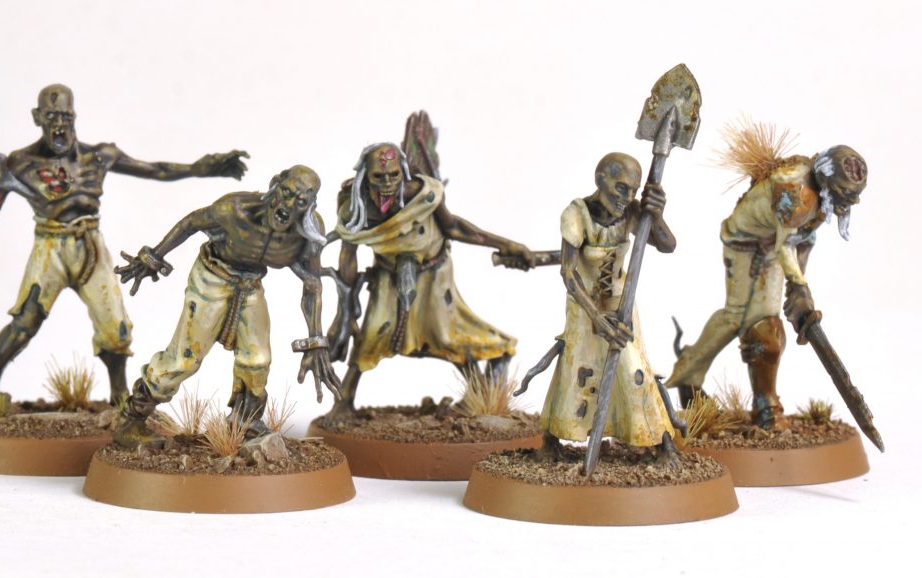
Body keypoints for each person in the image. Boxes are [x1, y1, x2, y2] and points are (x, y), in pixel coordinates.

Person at [0, 84, 249, 404]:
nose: (59, 125)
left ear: (74, 117)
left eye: (66, 116)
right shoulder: (22, 162)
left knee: (115, 326)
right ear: (37, 117)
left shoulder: (98, 157)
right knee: (25, 321)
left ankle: (119, 396)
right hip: (50, 248)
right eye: (52, 116)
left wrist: (200, 169)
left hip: (91, 246)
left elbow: (154, 170)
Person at [113, 165, 341, 448]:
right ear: (274, 185)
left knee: (257, 359)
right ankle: (132, 418)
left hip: (250, 284)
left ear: (310, 206)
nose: (290, 205)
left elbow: (313, 283)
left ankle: (245, 425)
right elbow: (192, 222)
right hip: (212, 276)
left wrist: (316, 340)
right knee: (184, 360)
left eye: (301, 201)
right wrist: (154, 256)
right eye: (287, 193)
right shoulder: (235, 209)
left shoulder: (308, 234)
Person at [666, 132, 867, 429]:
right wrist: (799, 285)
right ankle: (694, 375)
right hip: (747, 245)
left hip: (772, 245)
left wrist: (797, 285)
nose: (846, 205)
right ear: (829, 185)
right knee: (742, 320)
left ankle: (762, 404)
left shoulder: (817, 191)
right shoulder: (797, 193)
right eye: (844, 197)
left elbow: (803, 238)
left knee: (766, 329)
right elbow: (786, 244)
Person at [326, 140, 535, 419]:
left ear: (403, 173)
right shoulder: (354, 205)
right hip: (388, 273)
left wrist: (506, 244)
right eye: (379, 176)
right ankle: (343, 402)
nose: (387, 183)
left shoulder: (422, 194)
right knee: (373, 332)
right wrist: (346, 302)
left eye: (394, 175)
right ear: (365, 175)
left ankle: (480, 392)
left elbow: (453, 227)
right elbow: (348, 253)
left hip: (432, 272)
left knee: (445, 333)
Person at [535, 152, 677, 460]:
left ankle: (660, 441)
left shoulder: (631, 211)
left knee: (633, 367)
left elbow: (668, 245)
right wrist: (596, 318)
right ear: (601, 180)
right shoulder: (577, 214)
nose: (627, 198)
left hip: (620, 301)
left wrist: (656, 215)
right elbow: (568, 273)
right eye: (621, 188)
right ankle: (551, 439)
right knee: (578, 368)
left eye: (634, 191)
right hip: (584, 302)